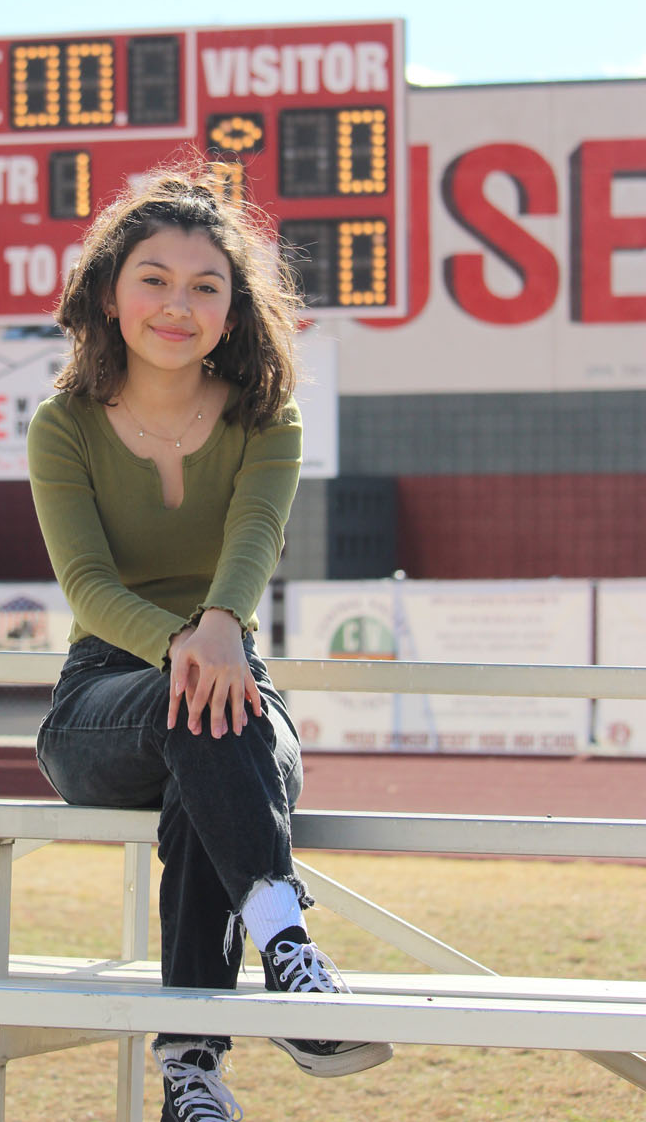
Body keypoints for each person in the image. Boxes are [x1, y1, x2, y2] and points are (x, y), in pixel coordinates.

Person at [27, 163, 393, 1122]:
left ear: (234, 311)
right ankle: (291, 954)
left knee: (213, 733)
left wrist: (219, 633)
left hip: (230, 686)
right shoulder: (61, 424)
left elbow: (254, 544)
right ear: (110, 294)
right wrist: (189, 645)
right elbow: (88, 589)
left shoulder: (267, 418)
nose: (177, 305)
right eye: (153, 279)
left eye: (205, 286)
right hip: (105, 700)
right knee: (205, 704)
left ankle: (193, 1072)